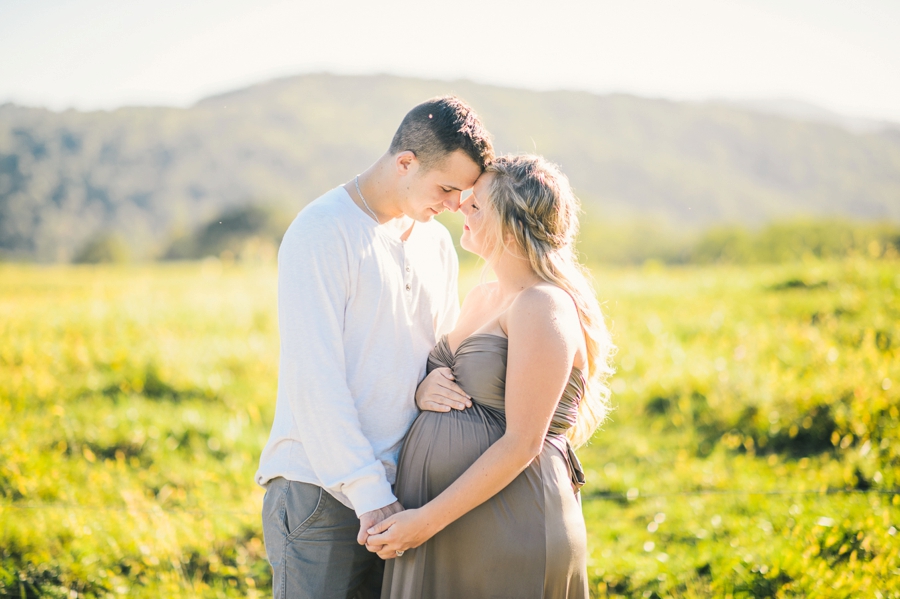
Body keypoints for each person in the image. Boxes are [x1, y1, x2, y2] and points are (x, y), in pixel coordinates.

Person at [255, 96, 494, 599]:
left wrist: (430, 378)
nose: (455, 205)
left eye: (463, 193)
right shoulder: (321, 231)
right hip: (322, 496)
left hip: (404, 496)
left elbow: (436, 348)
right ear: (405, 162)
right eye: (447, 188)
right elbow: (314, 379)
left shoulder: (435, 244)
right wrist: (369, 495)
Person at [366, 154, 616, 598]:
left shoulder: (543, 305)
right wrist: (422, 389)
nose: (460, 206)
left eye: (477, 205)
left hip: (504, 525)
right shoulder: (483, 297)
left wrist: (424, 522)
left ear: (510, 224)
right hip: (445, 523)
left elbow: (522, 442)